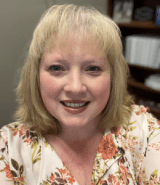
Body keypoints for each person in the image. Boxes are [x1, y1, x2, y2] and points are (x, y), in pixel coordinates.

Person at [0, 4, 160, 185]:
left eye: (93, 68)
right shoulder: (8, 150)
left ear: (113, 78)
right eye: (57, 68)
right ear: (35, 76)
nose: (75, 88)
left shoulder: (143, 130)